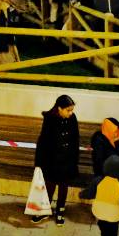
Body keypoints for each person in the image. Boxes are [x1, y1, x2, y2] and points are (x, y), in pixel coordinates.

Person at [33, 94, 79, 226]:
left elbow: (75, 139)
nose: (70, 113)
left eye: (72, 110)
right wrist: (39, 163)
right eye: (68, 110)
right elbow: (43, 141)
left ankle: (60, 211)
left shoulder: (72, 119)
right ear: (59, 108)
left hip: (66, 160)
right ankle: (44, 210)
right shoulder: (49, 119)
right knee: (49, 186)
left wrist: (74, 160)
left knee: (63, 187)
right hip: (52, 161)